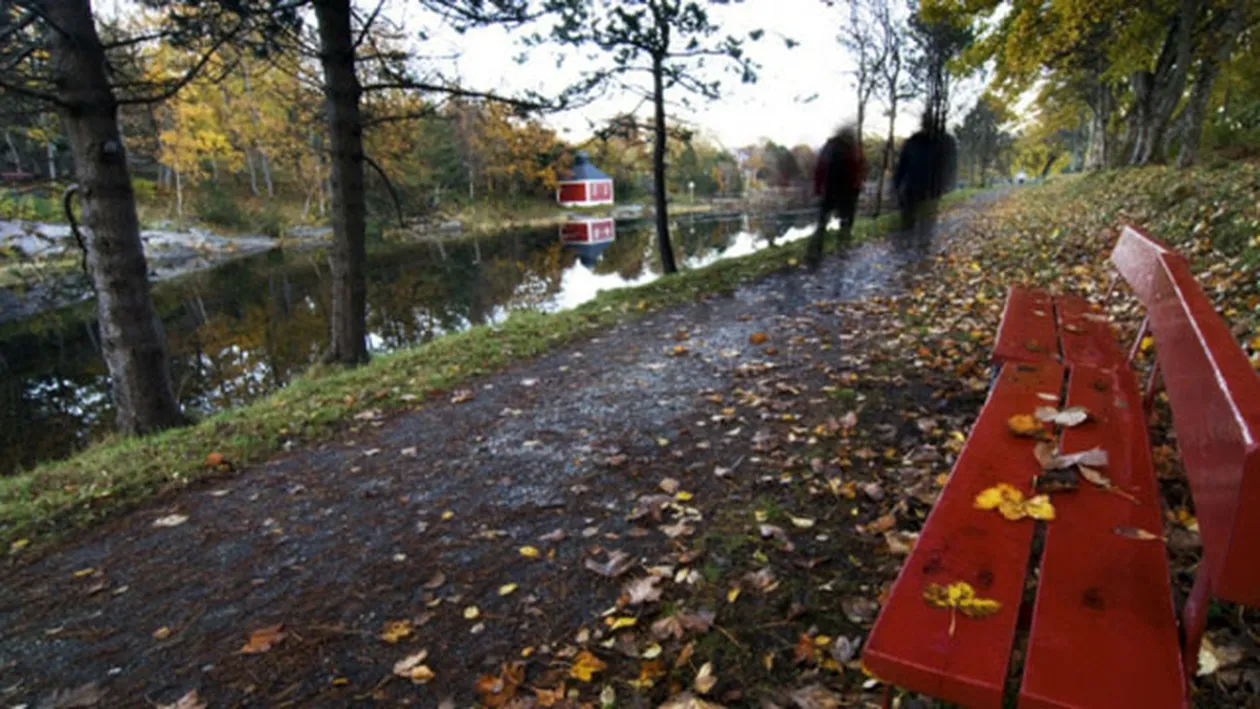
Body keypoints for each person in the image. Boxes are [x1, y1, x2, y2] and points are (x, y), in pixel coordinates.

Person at [893, 113, 957, 247]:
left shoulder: (919, 141)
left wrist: (897, 184)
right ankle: (913, 249)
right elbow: (902, 166)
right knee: (920, 223)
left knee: (918, 222)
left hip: (922, 188)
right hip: (922, 189)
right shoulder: (941, 141)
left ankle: (911, 250)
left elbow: (902, 166)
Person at [806, 126, 865, 268]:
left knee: (822, 222)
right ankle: (842, 249)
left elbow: (820, 169)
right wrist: (858, 186)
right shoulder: (854, 148)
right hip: (848, 191)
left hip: (830, 189)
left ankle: (815, 252)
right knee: (845, 222)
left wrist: (818, 189)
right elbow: (859, 169)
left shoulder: (830, 147)